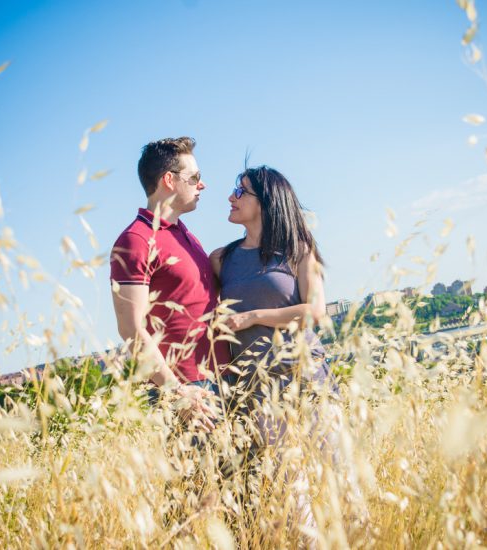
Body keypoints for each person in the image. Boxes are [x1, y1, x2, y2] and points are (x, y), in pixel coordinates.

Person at [110, 137, 230, 430]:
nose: (202, 185)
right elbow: (130, 328)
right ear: (169, 180)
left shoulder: (184, 235)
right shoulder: (134, 241)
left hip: (223, 380)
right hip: (188, 390)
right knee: (199, 477)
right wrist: (177, 392)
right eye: (195, 178)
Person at [209, 165, 333, 442]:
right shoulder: (220, 259)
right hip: (258, 388)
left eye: (241, 191)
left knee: (334, 474)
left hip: (307, 375)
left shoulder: (299, 249)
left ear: (266, 201)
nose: (231, 197)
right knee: (288, 482)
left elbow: (314, 312)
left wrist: (252, 317)